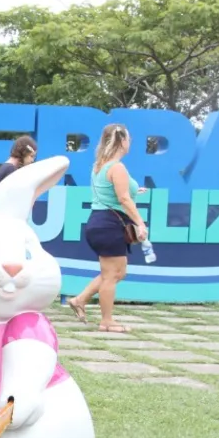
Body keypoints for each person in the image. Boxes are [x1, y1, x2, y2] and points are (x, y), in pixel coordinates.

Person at [67, 124, 148, 332]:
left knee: (116, 272)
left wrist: (134, 191)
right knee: (112, 274)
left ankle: (80, 299)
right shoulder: (117, 167)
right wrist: (140, 222)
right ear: (122, 141)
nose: (130, 142)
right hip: (109, 224)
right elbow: (122, 199)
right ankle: (107, 321)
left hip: (101, 222)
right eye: (129, 138)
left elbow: (113, 193)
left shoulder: (99, 165)